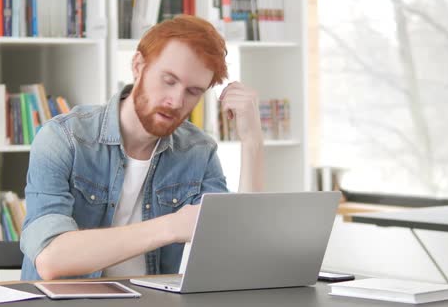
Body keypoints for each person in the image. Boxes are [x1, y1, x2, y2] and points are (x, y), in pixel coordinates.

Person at [20, 15, 265, 280]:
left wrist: (253, 143)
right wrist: (171, 227)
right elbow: (51, 258)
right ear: (138, 65)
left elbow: (237, 255)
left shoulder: (198, 151)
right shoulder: (63, 138)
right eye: (169, 80)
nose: (176, 100)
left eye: (193, 91)